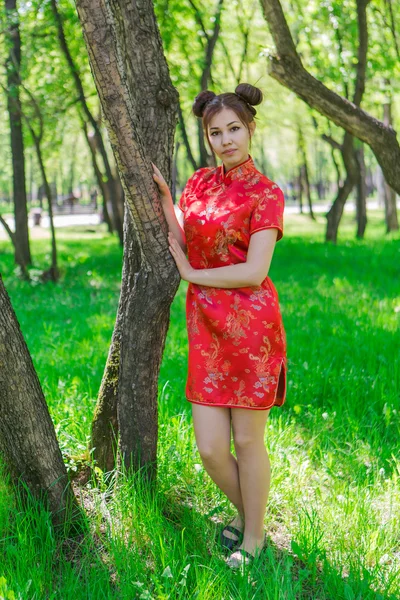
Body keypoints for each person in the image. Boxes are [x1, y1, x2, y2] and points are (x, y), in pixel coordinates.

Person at [152, 83, 287, 570]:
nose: (227, 139)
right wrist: (168, 199)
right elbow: (185, 237)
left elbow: (254, 270)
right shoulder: (199, 184)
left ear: (250, 129)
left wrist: (192, 275)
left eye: (234, 129)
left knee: (249, 441)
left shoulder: (267, 193)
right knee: (210, 448)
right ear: (207, 138)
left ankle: (253, 539)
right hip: (206, 330)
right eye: (216, 132)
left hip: (252, 328)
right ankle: (247, 514)